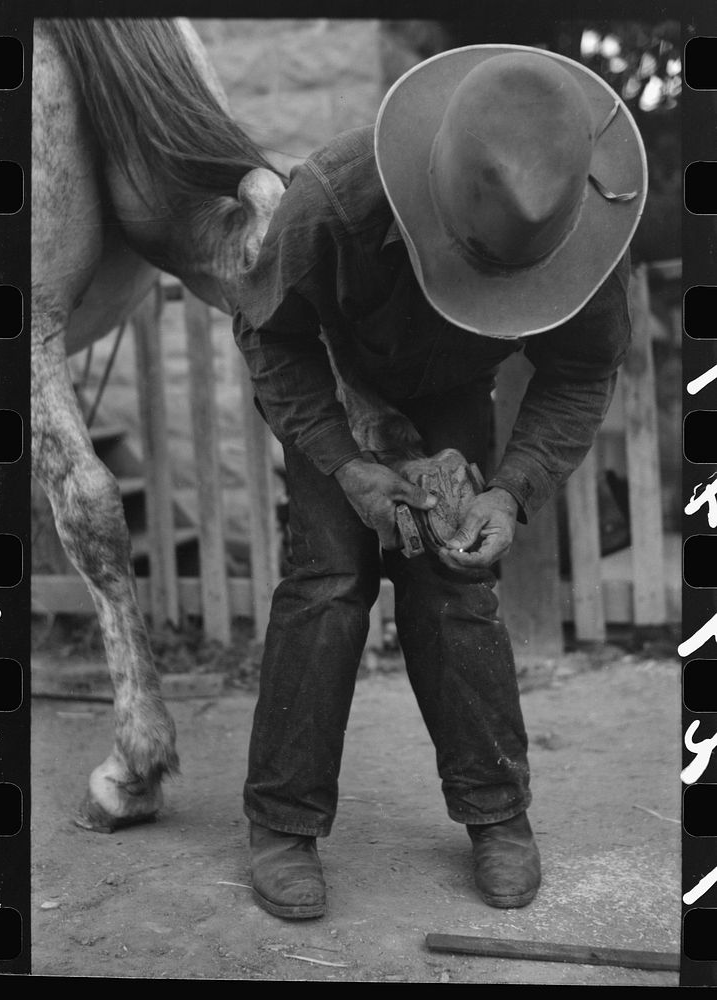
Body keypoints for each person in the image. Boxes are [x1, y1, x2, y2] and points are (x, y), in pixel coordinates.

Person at [234, 44, 647, 919]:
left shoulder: (575, 220)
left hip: (453, 387)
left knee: (457, 578)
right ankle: (281, 821)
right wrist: (348, 466)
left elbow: (579, 372)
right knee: (331, 578)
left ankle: (498, 815)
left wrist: (510, 491)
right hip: (336, 387)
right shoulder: (335, 198)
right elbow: (270, 335)